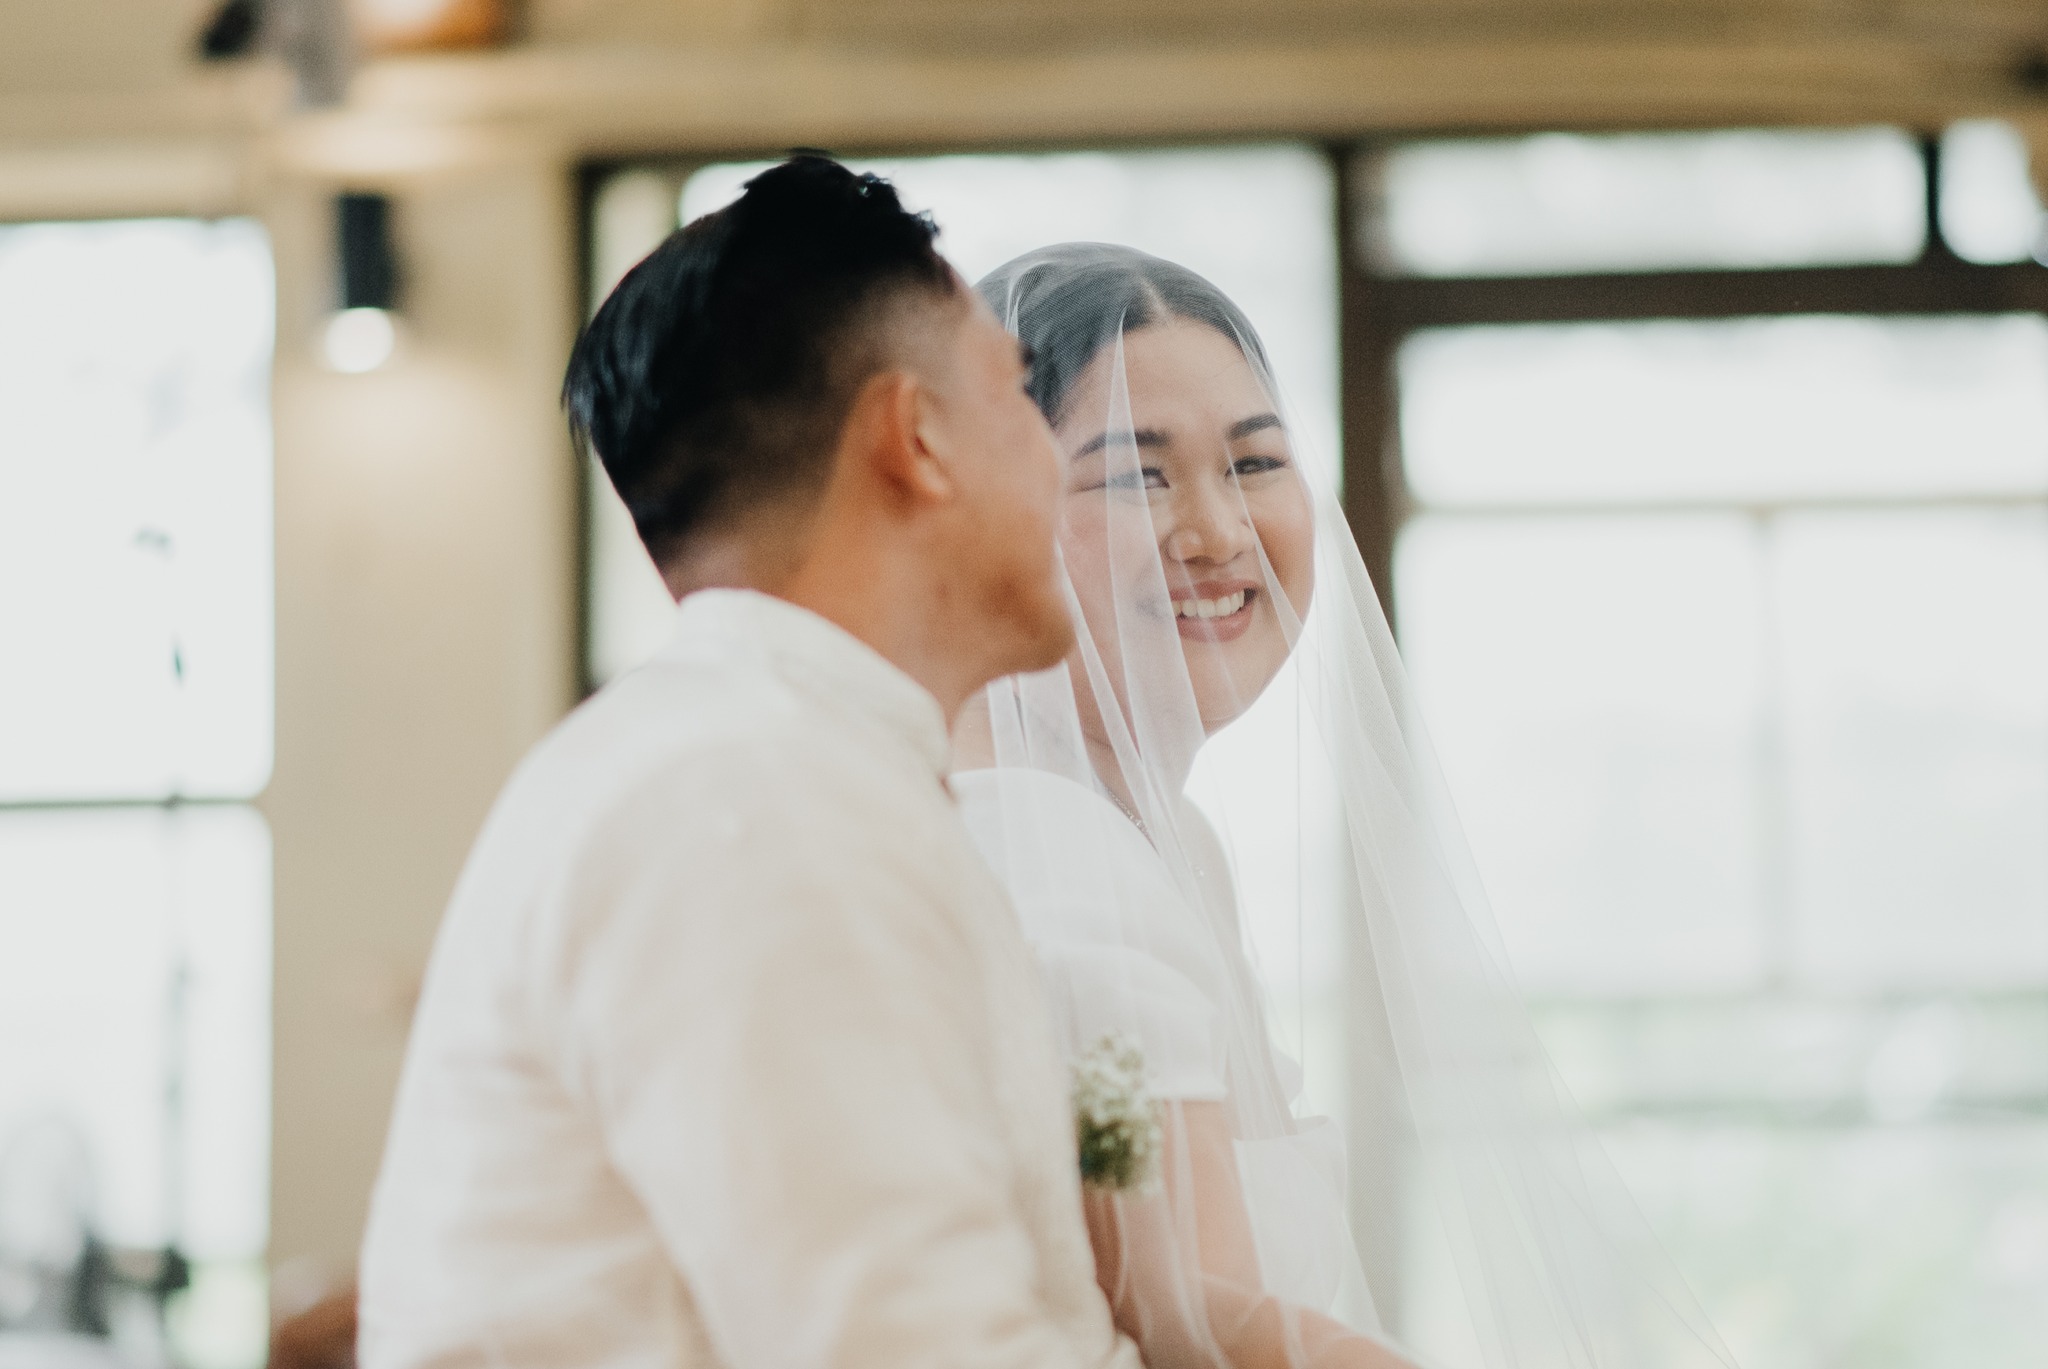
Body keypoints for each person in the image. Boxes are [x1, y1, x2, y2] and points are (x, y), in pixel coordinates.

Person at [357, 160, 1139, 1369]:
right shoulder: (756, 796)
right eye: (1019, 394)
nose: (1057, 462)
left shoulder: (761, 757)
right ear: (915, 438)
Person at [954, 245, 1739, 1369]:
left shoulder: (1169, 845)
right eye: (1137, 475)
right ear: (992, 506)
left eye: (1254, 463)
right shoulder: (1049, 853)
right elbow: (1194, 1326)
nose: (1217, 532)